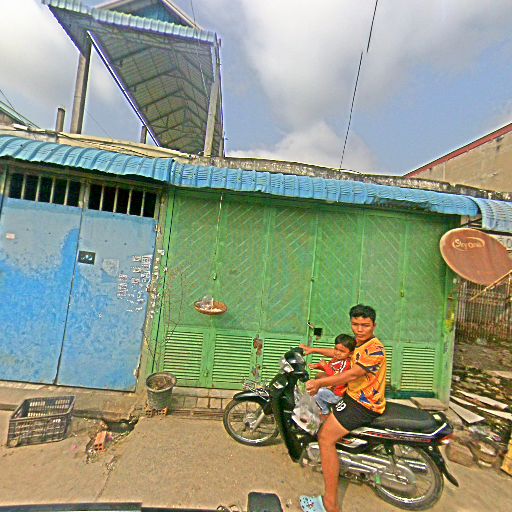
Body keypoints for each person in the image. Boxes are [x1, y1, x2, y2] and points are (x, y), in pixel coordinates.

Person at [299, 304, 386, 512]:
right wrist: (313, 350)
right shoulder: (360, 343)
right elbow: (338, 353)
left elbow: (352, 374)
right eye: (355, 324)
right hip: (352, 396)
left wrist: (320, 382)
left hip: (363, 405)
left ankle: (330, 505)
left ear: (374, 326)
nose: (359, 329)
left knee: (325, 438)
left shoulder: (375, 349)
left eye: (365, 325)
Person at [299, 334, 356, 418]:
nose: (337, 353)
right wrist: (317, 366)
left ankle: (325, 412)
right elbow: (331, 368)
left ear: (350, 353)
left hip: (337, 394)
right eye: (336, 349)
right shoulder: (337, 359)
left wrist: (325, 366)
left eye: (342, 351)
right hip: (332, 389)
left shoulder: (346, 364)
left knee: (316, 392)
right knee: (317, 383)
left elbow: (337, 378)